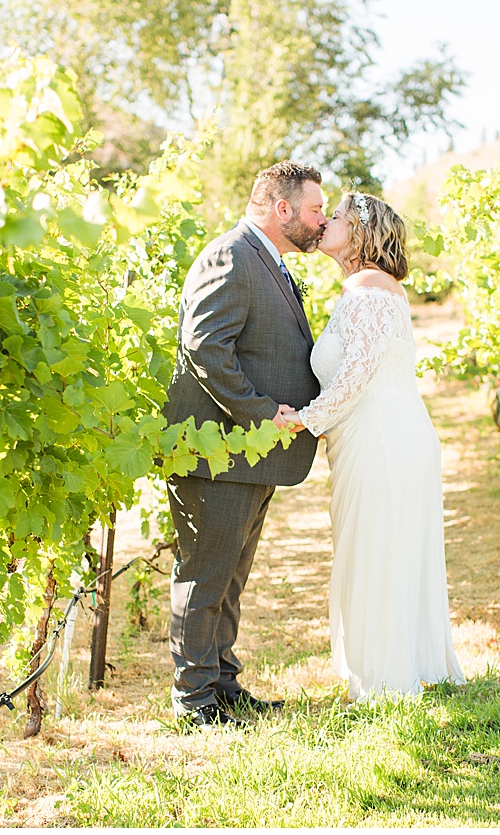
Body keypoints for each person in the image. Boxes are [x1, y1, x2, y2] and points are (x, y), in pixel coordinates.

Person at [280, 191, 465, 699]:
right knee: (381, 549)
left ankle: (384, 680)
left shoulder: (366, 291)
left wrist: (304, 420)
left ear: (359, 231)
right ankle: (388, 667)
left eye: (334, 216)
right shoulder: (369, 289)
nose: (325, 223)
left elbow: (357, 373)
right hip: (384, 434)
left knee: (376, 551)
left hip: (381, 439)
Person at [162, 161, 327, 727]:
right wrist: (262, 413)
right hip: (220, 451)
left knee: (229, 577)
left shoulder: (268, 260)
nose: (321, 221)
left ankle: (223, 685)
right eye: (314, 210)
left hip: (250, 454)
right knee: (205, 575)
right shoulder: (230, 255)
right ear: (282, 209)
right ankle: (193, 702)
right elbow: (205, 348)